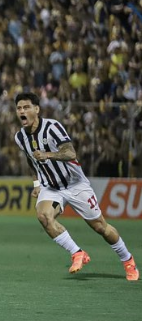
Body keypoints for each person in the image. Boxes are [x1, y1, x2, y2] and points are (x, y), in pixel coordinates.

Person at [14, 92, 139, 281]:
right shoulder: (20, 137)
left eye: (26, 107)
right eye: (19, 108)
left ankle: (128, 260)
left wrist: (48, 155)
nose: (22, 111)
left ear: (37, 109)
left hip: (75, 184)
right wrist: (37, 183)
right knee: (44, 217)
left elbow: (70, 152)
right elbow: (30, 159)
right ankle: (77, 253)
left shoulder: (52, 127)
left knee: (100, 227)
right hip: (51, 187)